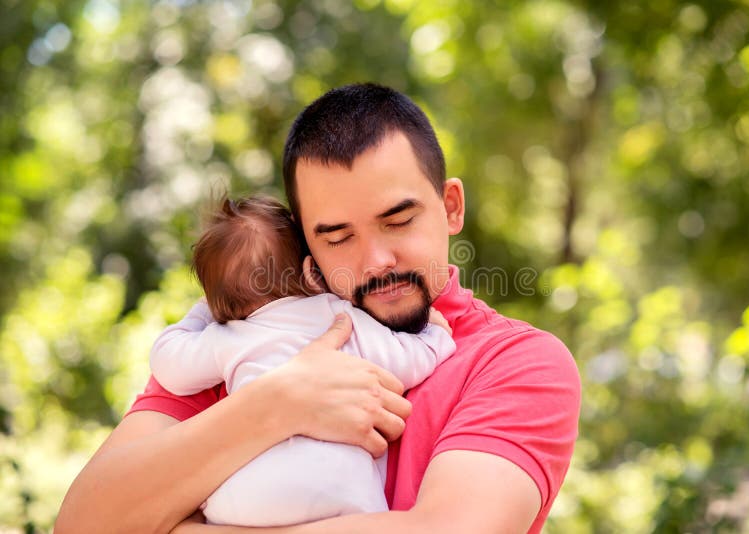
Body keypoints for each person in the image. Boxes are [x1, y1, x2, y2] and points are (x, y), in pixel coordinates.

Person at [56, 83, 581, 534]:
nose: (376, 261)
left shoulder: (516, 362)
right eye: (337, 237)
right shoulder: (249, 336)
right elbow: (84, 525)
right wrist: (280, 401)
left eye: (398, 221)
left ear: (450, 208)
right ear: (307, 248)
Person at [149, 195, 456, 526]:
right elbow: (407, 361)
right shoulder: (339, 314)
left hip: (247, 495)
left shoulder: (228, 337)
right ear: (312, 271)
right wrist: (436, 336)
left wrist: (204, 311)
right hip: (339, 488)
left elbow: (167, 362)